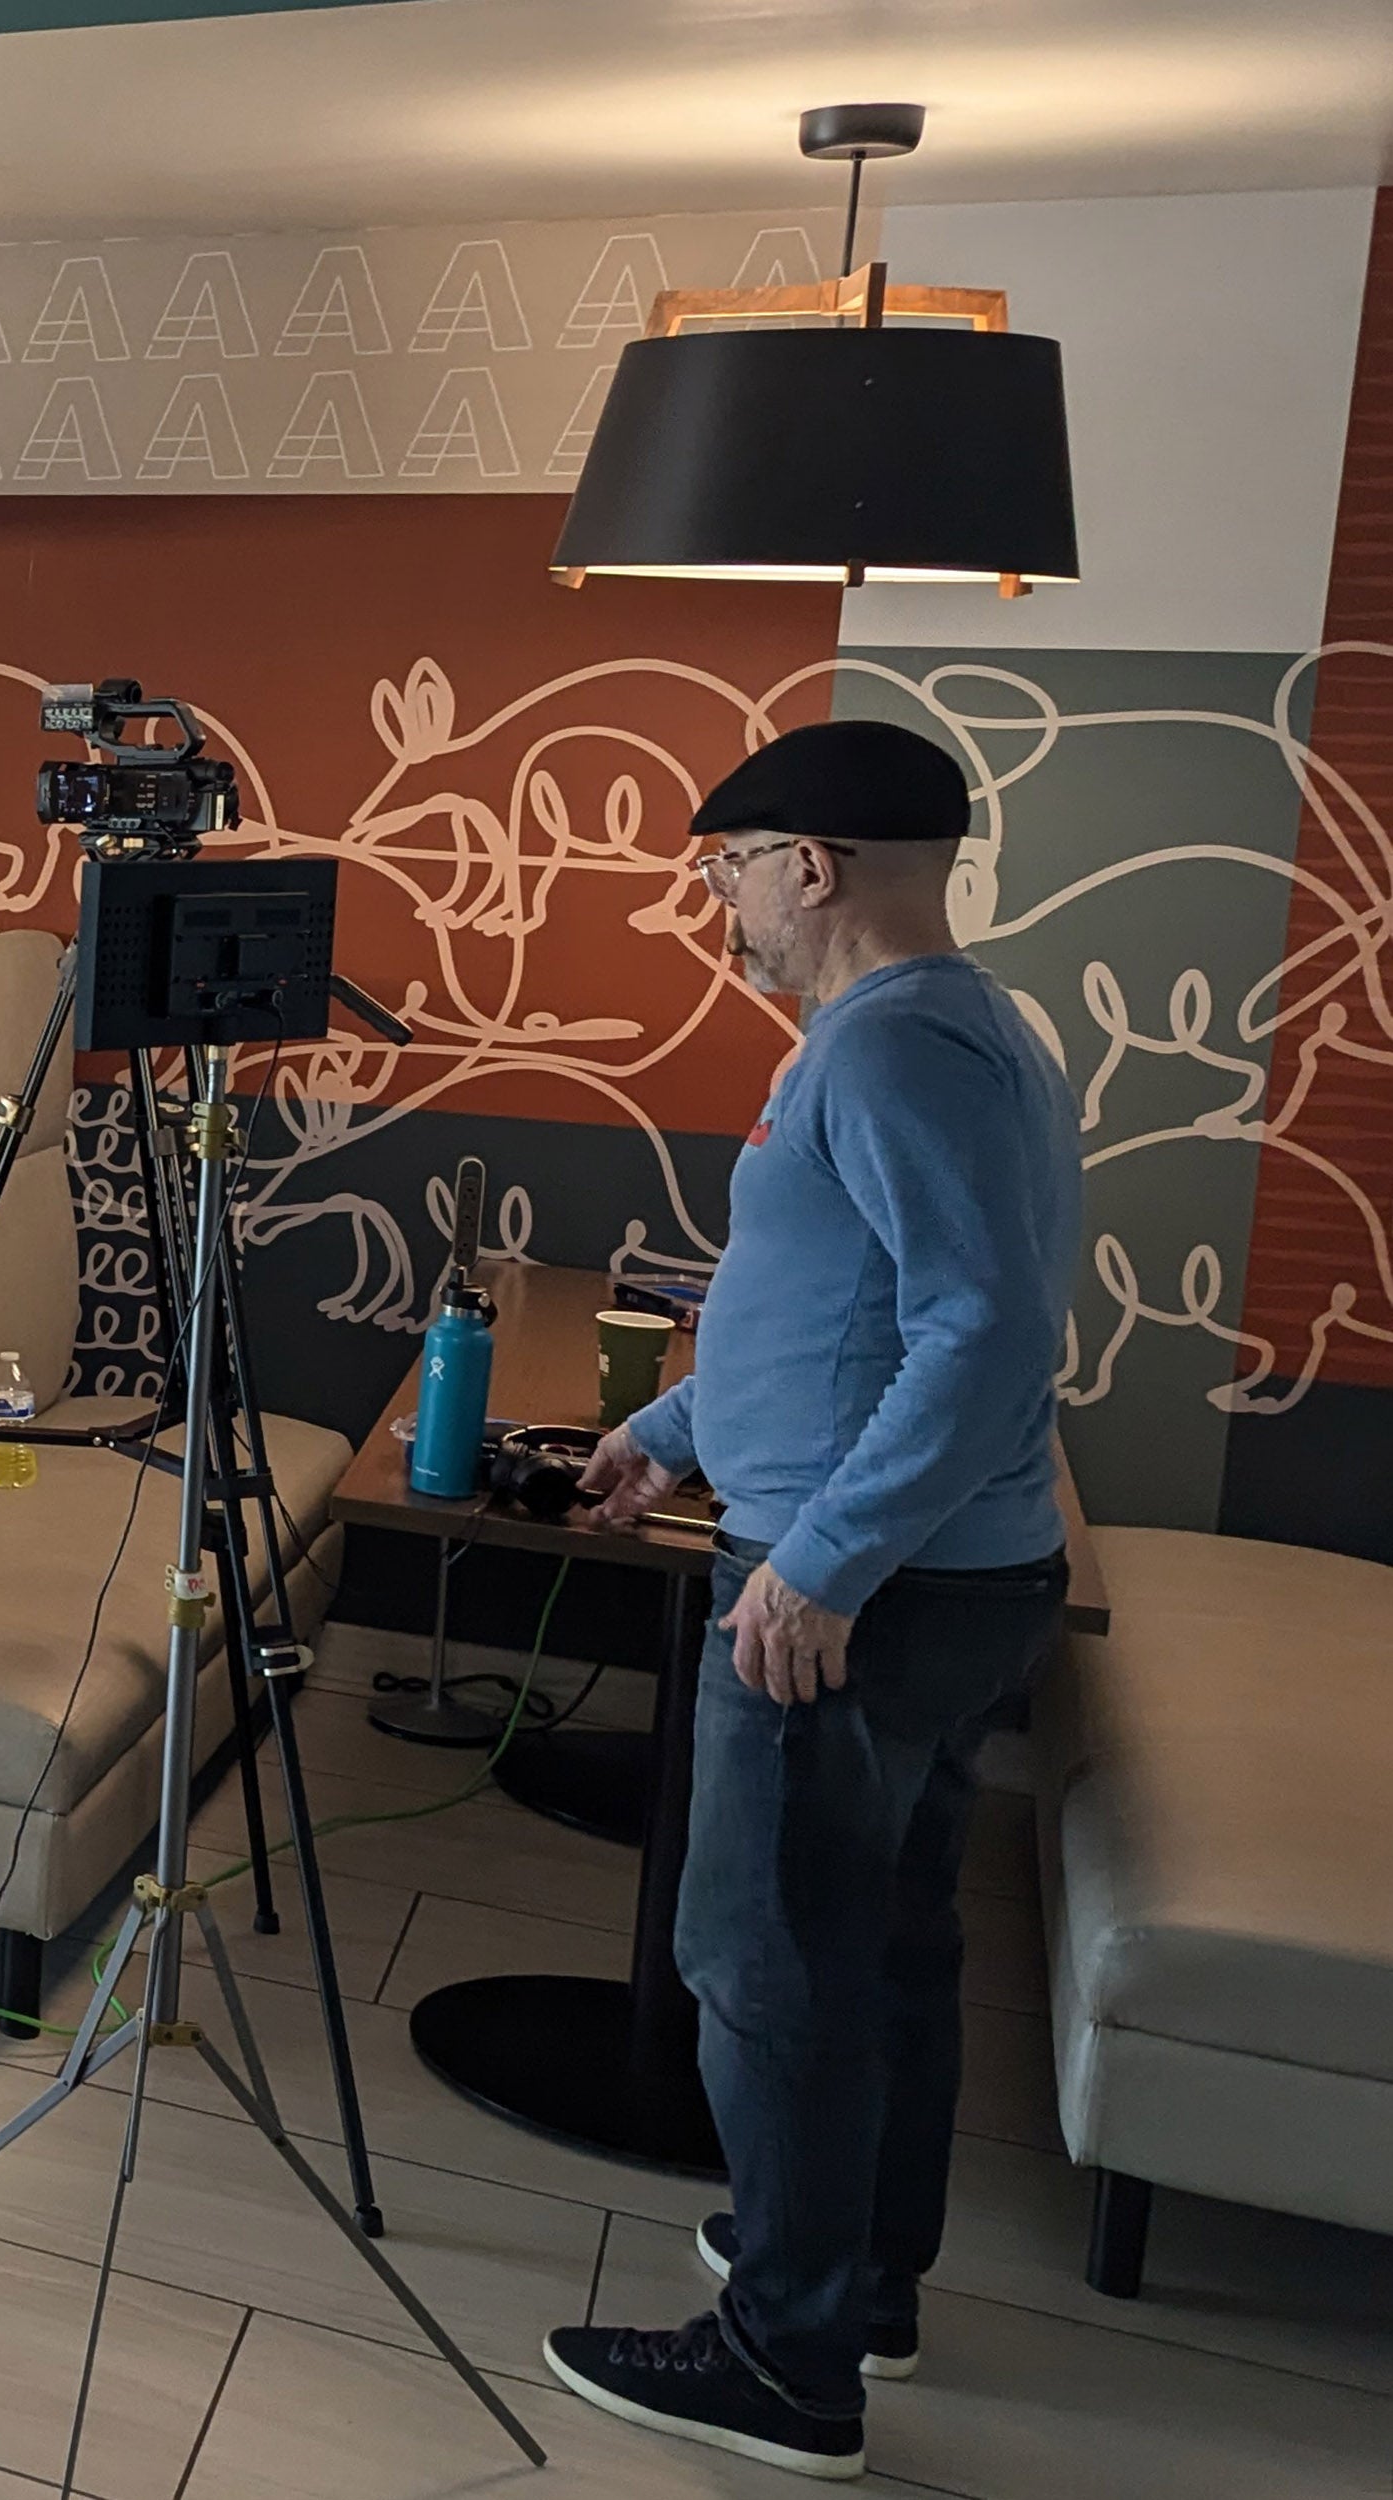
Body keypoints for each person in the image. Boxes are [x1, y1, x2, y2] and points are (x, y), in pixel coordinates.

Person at [547, 719, 1081, 2481]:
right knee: (883, 1937)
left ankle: (785, 2361)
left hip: (862, 1592)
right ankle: (857, 2283)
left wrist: (821, 1562)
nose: (719, 908)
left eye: (726, 871)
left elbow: (981, 1336)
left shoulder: (890, 1051)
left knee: (760, 1959)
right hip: (932, 1572)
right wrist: (665, 1432)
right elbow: (827, 1311)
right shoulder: (950, 1032)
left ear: (812, 865)